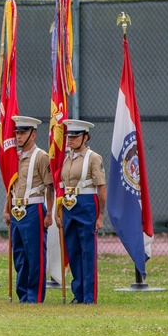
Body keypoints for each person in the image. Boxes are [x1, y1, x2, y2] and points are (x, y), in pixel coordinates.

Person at [3, 115, 54, 304]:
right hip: (16, 208)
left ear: (33, 134)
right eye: (17, 132)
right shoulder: (13, 157)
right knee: (19, 255)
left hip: (33, 208)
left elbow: (50, 186)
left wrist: (49, 213)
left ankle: (35, 295)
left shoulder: (41, 157)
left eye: (23, 132)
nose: (18, 136)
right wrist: (6, 209)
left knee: (35, 254)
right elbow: (10, 186)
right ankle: (22, 294)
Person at [56, 119, 107, 304]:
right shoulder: (67, 157)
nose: (70, 139)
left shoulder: (93, 158)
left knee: (87, 250)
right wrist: (58, 209)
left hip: (86, 203)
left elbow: (101, 187)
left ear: (85, 137)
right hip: (69, 205)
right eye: (69, 136)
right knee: (73, 250)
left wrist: (100, 215)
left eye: (75, 136)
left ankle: (88, 296)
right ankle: (78, 293)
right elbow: (61, 185)